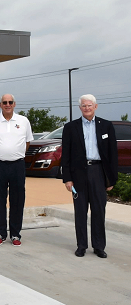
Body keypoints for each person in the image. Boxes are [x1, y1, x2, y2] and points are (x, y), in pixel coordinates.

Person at [61, 94, 118, 258]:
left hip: (98, 172)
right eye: (84, 106)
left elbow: (112, 154)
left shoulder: (106, 126)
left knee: (99, 210)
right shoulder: (71, 127)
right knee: (80, 211)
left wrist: (111, 178)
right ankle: (81, 245)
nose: (87, 108)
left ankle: (99, 246)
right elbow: (66, 155)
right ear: (80, 108)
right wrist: (68, 178)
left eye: (89, 105)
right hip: (78, 174)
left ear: (95, 106)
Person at [0, 94, 33, 246]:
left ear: (14, 104)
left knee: (18, 200)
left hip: (17, 165)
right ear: (0, 104)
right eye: (4, 102)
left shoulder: (23, 121)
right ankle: (1, 233)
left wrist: (16, 153)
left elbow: (27, 142)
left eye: (10, 102)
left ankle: (15, 234)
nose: (7, 104)